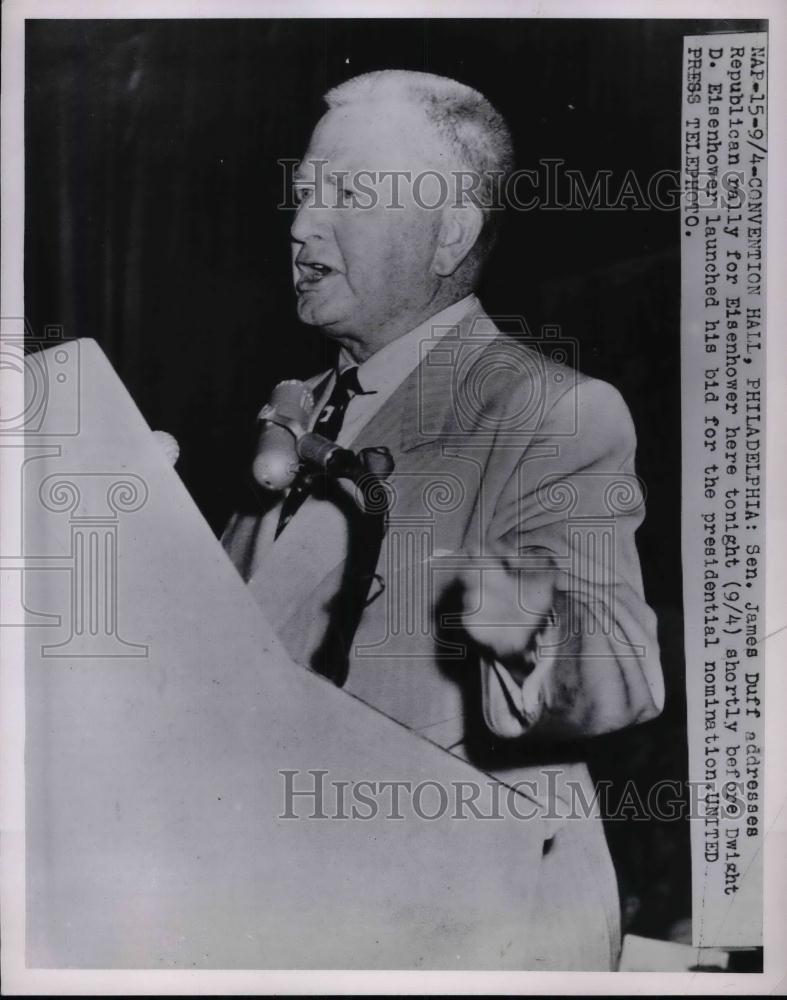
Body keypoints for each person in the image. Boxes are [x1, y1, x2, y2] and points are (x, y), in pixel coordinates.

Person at [222, 69, 664, 969]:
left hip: (464, 926)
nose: (301, 224)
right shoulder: (290, 414)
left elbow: (623, 675)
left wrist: (529, 626)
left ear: (448, 232)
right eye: (303, 192)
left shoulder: (549, 410)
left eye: (344, 192)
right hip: (281, 905)